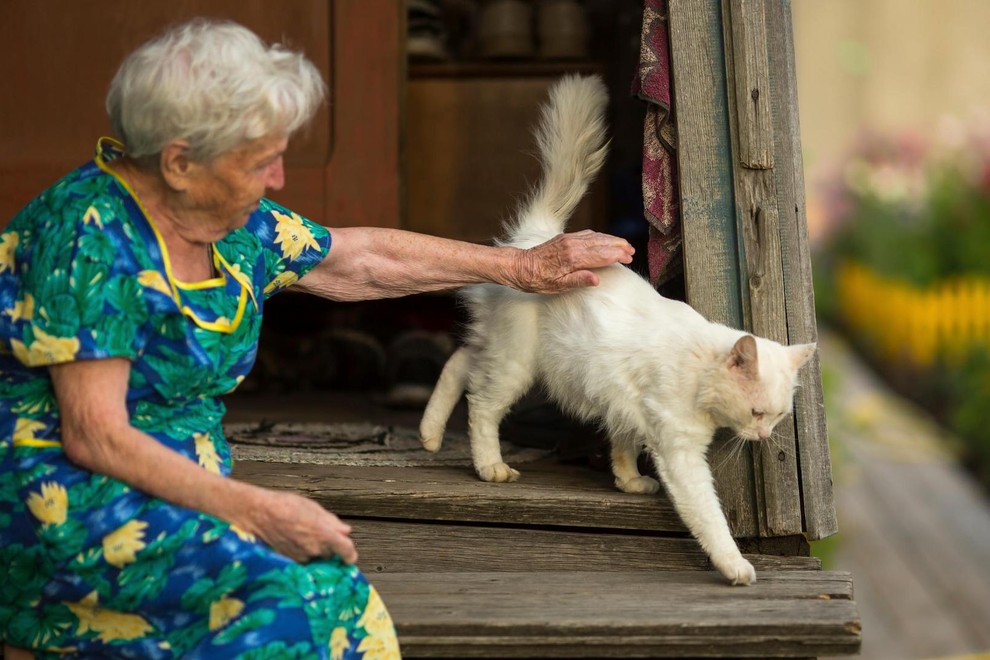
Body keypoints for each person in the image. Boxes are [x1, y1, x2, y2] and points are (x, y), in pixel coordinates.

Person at [0, 18, 633, 660]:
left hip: (181, 486)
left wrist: (519, 268)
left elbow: (358, 259)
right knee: (298, 610)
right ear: (179, 162)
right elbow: (94, 435)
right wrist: (253, 509)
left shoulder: (231, 223)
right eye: (259, 161)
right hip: (69, 499)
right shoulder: (87, 236)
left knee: (329, 598)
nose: (277, 177)